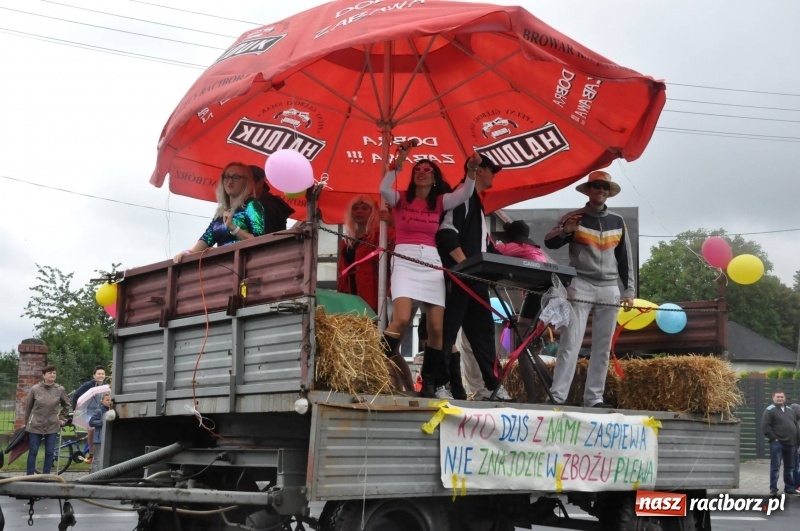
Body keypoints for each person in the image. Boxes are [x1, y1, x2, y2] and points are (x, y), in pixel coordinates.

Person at [380, 141, 478, 394]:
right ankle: (373, 366)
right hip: (405, 258)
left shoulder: (440, 201)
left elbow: (465, 194)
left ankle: (430, 382)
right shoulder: (401, 198)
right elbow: (383, 189)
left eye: (427, 170)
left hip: (431, 261)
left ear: (435, 178)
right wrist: (400, 161)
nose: (421, 172)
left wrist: (471, 170)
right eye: (417, 170)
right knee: (401, 319)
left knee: (436, 327)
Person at [543, 170, 634, 407]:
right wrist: (566, 231)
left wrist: (629, 290)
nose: (600, 190)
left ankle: (594, 398)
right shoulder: (574, 217)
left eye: (605, 187)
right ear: (588, 190)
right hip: (581, 283)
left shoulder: (618, 221)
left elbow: (625, 258)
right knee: (570, 343)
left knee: (602, 347)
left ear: (609, 192)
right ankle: (557, 396)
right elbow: (550, 242)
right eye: (596, 186)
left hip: (610, 287)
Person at [435, 154, 511, 401]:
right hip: (460, 278)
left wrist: (508, 264)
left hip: (474, 278)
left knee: (484, 333)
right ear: (479, 171)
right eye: (492, 170)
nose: (493, 175)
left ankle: (492, 385)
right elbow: (446, 232)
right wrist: (465, 265)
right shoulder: (463, 196)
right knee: (448, 331)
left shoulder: (476, 202)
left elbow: (483, 245)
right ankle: (440, 383)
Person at [174, 162, 266, 263]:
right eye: (226, 177)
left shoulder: (251, 204)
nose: (230, 181)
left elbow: (258, 240)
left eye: (236, 177)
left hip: (243, 263)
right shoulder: (222, 211)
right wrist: (188, 253)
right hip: (222, 265)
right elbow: (207, 237)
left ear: (246, 181)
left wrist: (233, 228)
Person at [336, 194, 395, 315]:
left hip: (374, 293)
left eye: (364, 208)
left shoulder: (381, 235)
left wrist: (391, 223)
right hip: (350, 294)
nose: (359, 211)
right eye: (355, 208)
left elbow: (397, 244)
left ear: (373, 212)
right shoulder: (345, 242)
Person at [24, 365, 70, 475]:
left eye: (54, 373)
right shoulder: (35, 389)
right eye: (49, 373)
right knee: (33, 451)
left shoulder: (60, 389)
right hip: (35, 425)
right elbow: (28, 407)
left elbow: (67, 405)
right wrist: (27, 424)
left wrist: (62, 418)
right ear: (44, 375)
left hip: (52, 425)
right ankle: (29, 476)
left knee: (49, 452)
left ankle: (46, 476)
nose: (52, 375)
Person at [762, 390, 798, 496]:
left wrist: (797, 441)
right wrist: (774, 438)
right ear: (773, 398)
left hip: (791, 443)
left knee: (790, 467)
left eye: (782, 397)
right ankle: (773, 489)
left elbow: (795, 425)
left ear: (785, 398)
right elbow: (765, 426)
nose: (780, 399)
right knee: (775, 467)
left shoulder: (790, 410)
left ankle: (789, 488)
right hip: (777, 444)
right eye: (778, 397)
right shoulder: (769, 410)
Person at [71, 365, 106, 463]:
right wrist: (75, 409)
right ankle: (91, 453)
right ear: (94, 375)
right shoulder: (89, 385)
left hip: (100, 411)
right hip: (89, 411)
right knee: (91, 429)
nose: (101, 375)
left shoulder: (106, 386)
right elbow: (76, 395)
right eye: (99, 374)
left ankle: (100, 451)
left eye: (103, 374)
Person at [250, 165, 295, 234]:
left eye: (248, 181)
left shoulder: (268, 205)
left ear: (260, 182)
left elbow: (267, 235)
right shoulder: (253, 202)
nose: (242, 185)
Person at [88, 393, 113, 473]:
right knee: (97, 459)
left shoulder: (112, 411)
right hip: (99, 439)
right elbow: (91, 422)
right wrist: (103, 421)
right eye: (107, 400)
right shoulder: (99, 411)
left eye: (110, 400)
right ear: (102, 401)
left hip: (108, 438)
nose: (109, 402)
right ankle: (93, 474)